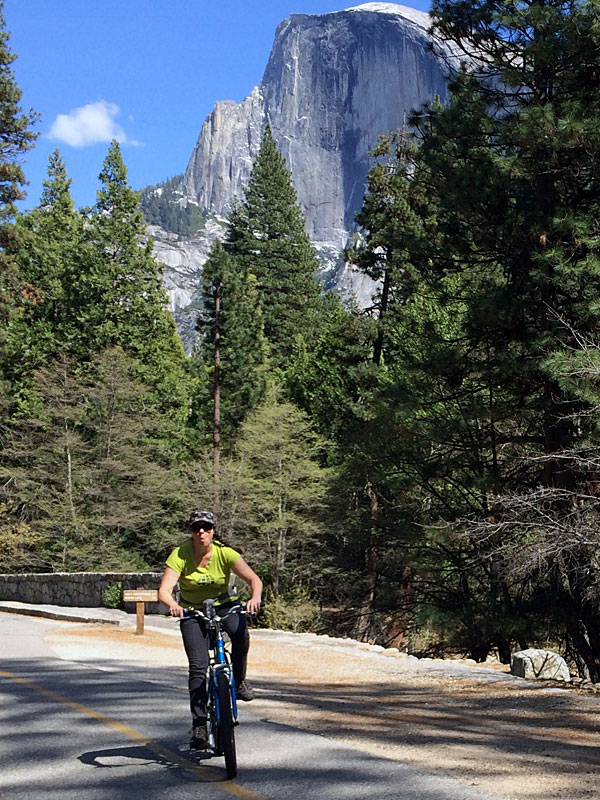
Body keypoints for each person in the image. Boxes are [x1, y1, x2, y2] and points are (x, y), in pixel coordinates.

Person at [158, 509, 263, 750]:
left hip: (225, 606)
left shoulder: (225, 553)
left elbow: (254, 579)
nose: (202, 532)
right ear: (191, 532)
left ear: (213, 530)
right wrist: (173, 605)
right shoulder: (180, 555)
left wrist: (254, 598)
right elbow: (164, 590)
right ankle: (199, 725)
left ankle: (239, 681)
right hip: (193, 611)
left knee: (240, 635)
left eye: (206, 527)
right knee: (198, 667)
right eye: (196, 528)